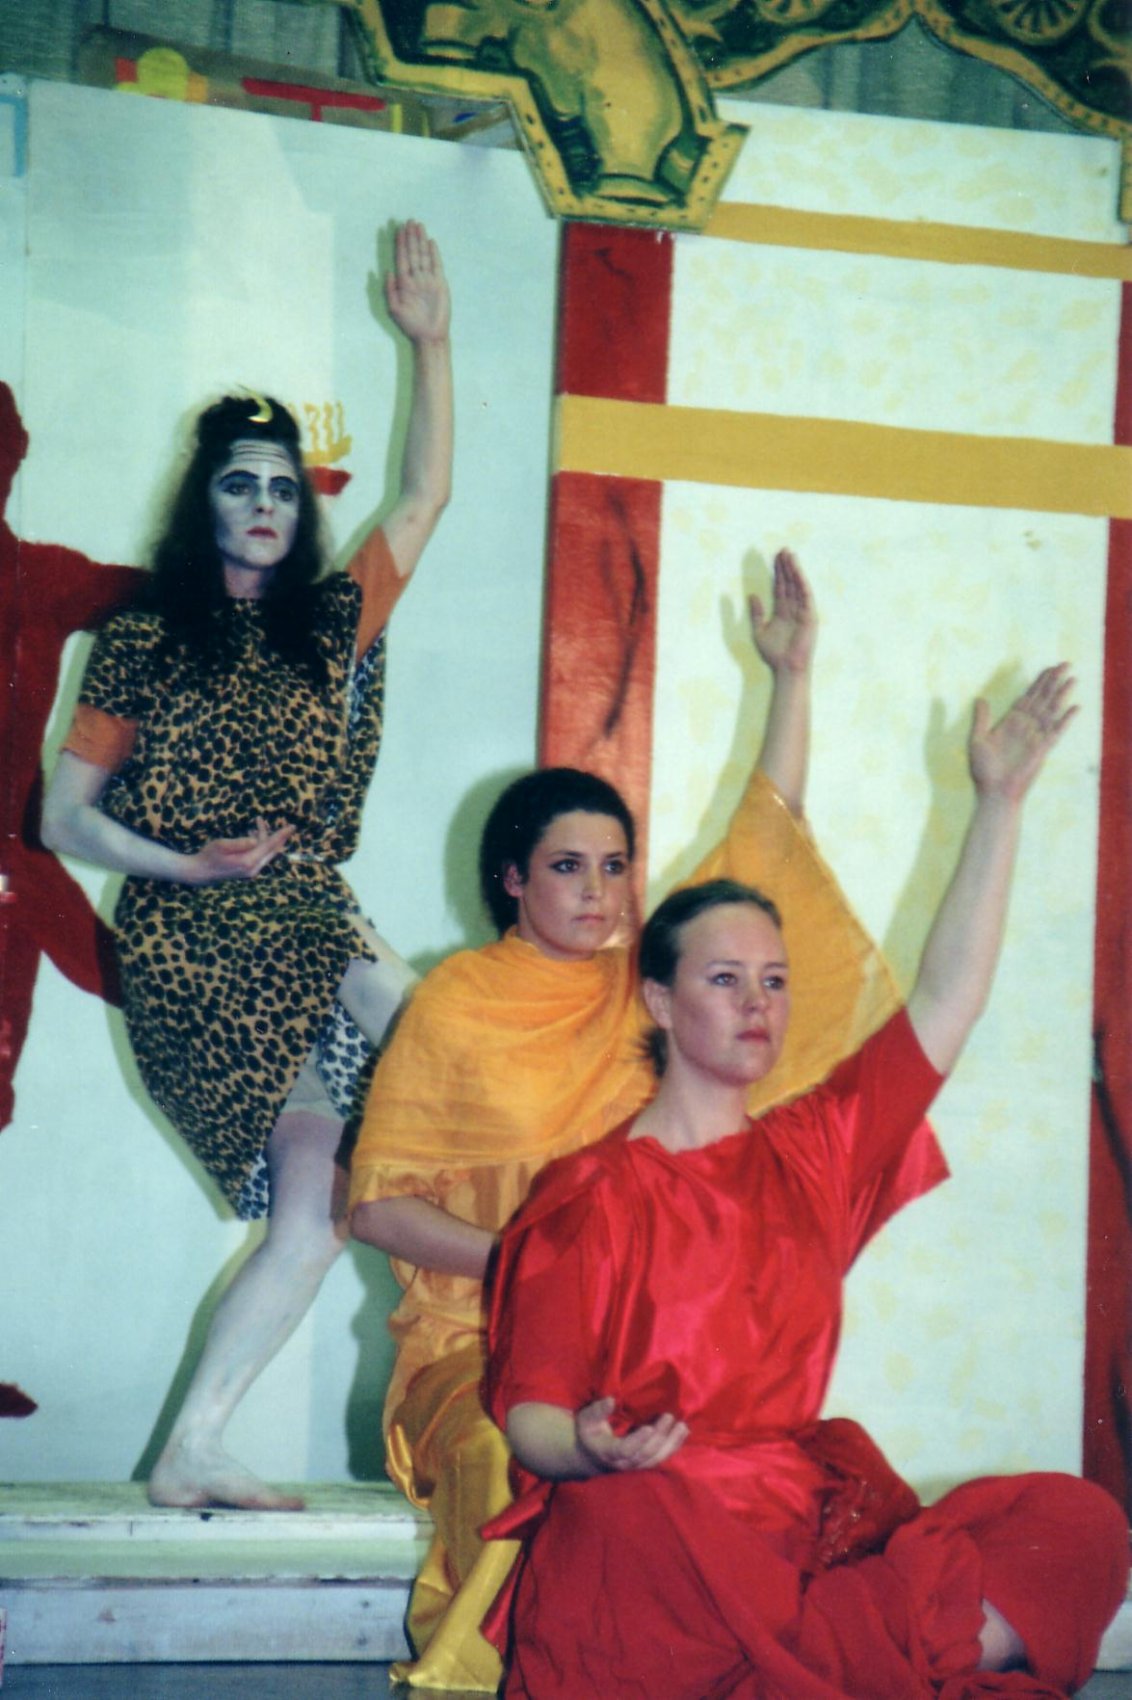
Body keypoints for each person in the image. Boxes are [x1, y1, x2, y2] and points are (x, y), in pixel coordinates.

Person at [484, 667, 1130, 1698]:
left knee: (1079, 1518)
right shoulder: (589, 1194)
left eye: (775, 981)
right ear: (659, 1000)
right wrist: (589, 1450)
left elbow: (946, 1000)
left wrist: (998, 805)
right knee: (632, 1512)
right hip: (661, 1534)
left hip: (801, 1534)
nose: (758, 1004)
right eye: (724, 979)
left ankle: (805, 1664)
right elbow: (531, 1413)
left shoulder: (815, 1148)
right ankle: (850, 1663)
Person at [349, 554, 917, 1691]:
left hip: (645, 1336)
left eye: (615, 867)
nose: (599, 891)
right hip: (474, 1345)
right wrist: (534, 1263)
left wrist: (791, 680)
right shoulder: (457, 1002)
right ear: (512, 878)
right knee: (503, 1462)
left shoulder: (648, 987)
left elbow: (764, 844)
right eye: (569, 867)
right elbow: (372, 1207)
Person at [40, 220, 453, 1512]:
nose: (266, 503)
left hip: (304, 910)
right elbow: (64, 819)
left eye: (282, 485)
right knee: (437, 1062)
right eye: (240, 484)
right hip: (192, 940)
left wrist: (432, 346)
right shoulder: (144, 638)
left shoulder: (331, 625)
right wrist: (189, 864)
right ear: (204, 502)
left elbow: (422, 499)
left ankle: (190, 1451)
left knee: (323, 1207)